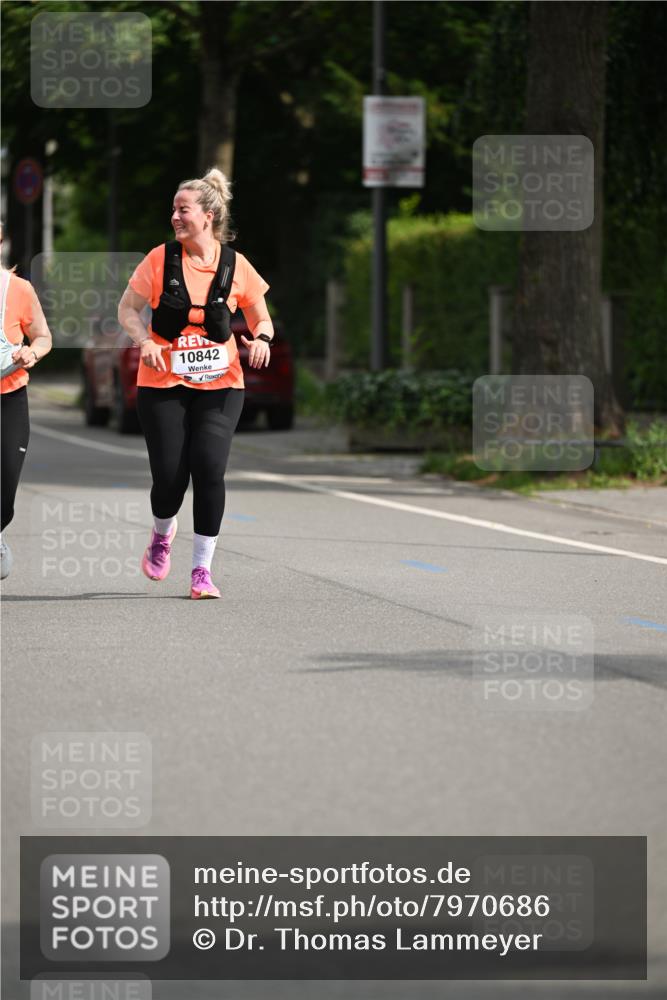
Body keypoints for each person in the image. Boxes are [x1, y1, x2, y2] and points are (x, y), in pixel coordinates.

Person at [117, 168, 274, 600]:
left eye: (182, 209)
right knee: (170, 477)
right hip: (162, 383)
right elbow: (127, 309)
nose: (175, 217)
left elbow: (262, 318)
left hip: (222, 385)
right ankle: (162, 535)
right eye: (173, 209)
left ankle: (201, 571)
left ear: (207, 216)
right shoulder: (158, 260)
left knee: (208, 468)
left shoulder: (235, 265)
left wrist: (260, 339)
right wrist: (144, 339)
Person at [0, 223, 53, 580]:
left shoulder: (17, 289)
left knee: (4, 484)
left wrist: (32, 353)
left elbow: (43, 336)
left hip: (9, 396)